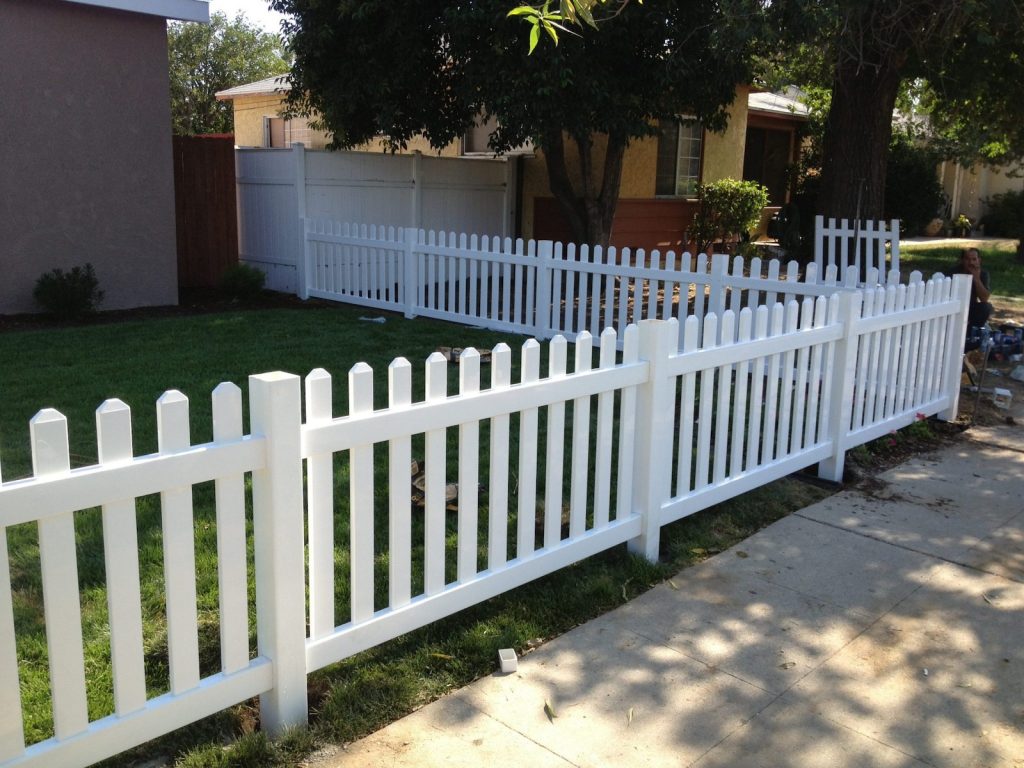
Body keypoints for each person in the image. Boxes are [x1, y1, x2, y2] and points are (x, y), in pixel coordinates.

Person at [953, 247, 993, 328]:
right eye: (967, 259)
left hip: (971, 306)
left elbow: (984, 298)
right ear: (962, 260)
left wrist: (976, 279)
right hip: (954, 306)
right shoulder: (953, 272)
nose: (971, 262)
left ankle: (971, 332)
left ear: (979, 260)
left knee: (986, 307)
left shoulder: (983, 274)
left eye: (974, 259)